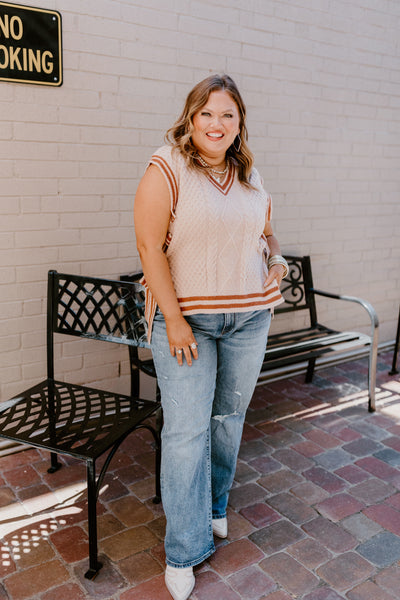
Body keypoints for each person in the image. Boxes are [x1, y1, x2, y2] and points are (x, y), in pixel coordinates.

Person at [134, 74, 288, 600]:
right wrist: (173, 320)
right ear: (190, 117)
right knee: (185, 433)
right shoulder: (166, 167)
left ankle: (216, 508)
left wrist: (279, 259)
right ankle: (183, 549)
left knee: (227, 420)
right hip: (188, 323)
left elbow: (266, 231)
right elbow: (151, 249)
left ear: (239, 121)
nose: (216, 124)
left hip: (250, 319)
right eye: (207, 113)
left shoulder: (248, 171)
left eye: (227, 114)